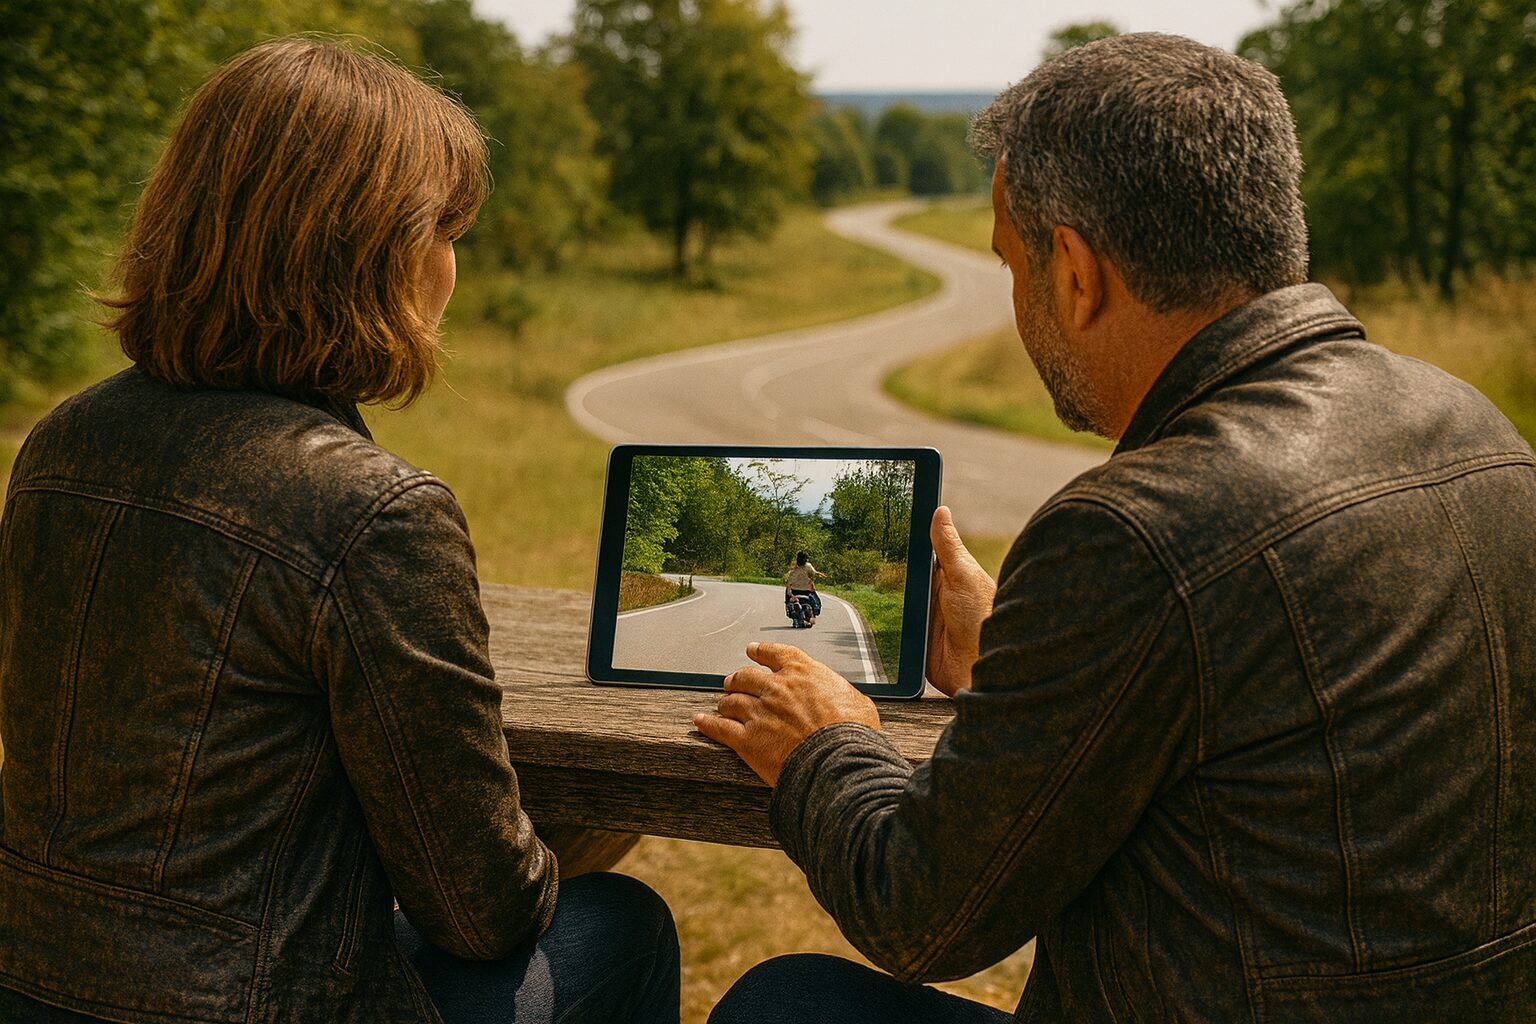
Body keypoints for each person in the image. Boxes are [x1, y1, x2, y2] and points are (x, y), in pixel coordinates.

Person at [695, 33, 1536, 1023]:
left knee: (780, 1003)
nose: (1018, 304)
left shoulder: (1132, 530)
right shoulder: (1482, 427)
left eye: (1014, 265)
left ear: (1079, 274)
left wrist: (827, 743)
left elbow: (920, 910)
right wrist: (1023, 651)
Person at [0, 39, 678, 1024]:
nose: (452, 268)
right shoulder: (371, 511)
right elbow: (478, 910)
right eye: (444, 231)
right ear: (373, 251)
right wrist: (549, 850)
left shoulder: (58, 443)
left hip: (32, 988)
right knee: (624, 926)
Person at [785, 550, 822, 625]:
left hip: (794, 591)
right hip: (806, 591)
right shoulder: (808, 566)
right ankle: (814, 613)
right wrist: (819, 574)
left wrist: (789, 595)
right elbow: (813, 573)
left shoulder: (793, 568)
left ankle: (788, 605)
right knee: (816, 601)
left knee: (788, 594)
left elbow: (788, 581)